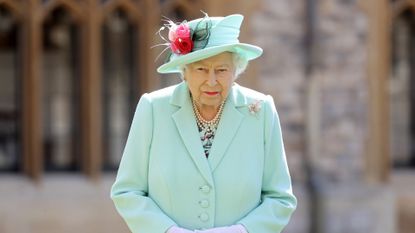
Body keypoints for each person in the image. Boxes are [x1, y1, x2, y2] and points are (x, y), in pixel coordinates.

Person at [110, 13, 297, 233]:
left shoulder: (260, 110)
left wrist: (238, 231)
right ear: (184, 71)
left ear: (235, 71)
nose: (211, 81)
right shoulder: (153, 108)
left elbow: (280, 198)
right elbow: (127, 191)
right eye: (201, 69)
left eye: (221, 70)